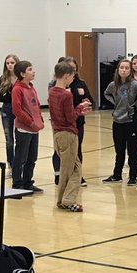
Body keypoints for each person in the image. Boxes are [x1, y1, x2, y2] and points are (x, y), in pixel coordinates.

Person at [50, 61, 90, 211]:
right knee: (74, 170)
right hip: (68, 134)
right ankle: (67, 199)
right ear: (66, 76)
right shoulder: (66, 95)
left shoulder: (52, 91)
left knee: (69, 168)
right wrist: (80, 108)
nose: (74, 79)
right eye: (73, 76)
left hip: (58, 133)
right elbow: (70, 117)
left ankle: (62, 200)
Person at [103, 58, 137, 184]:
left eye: (127, 68)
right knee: (119, 149)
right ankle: (117, 174)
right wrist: (115, 104)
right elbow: (106, 94)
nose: (124, 70)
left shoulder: (135, 85)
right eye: (122, 67)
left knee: (132, 149)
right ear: (118, 70)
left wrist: (135, 104)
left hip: (131, 120)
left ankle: (133, 176)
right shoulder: (113, 85)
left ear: (130, 70)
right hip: (117, 120)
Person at [10, 60, 44, 192]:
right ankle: (17, 184)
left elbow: (36, 105)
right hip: (24, 129)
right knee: (20, 158)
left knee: (32, 158)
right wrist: (30, 122)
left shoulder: (31, 87)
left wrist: (39, 119)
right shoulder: (17, 89)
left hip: (34, 129)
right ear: (22, 74)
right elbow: (17, 110)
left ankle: (28, 182)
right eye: (30, 69)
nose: (33, 71)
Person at [0, 54, 19, 174]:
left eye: (12, 63)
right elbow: (0, 97)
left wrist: (9, 96)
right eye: (7, 63)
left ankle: (19, 165)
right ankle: (10, 166)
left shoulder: (21, 78)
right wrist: (11, 96)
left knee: (20, 138)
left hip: (19, 110)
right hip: (6, 110)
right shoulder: (3, 78)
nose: (10, 65)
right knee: (9, 140)